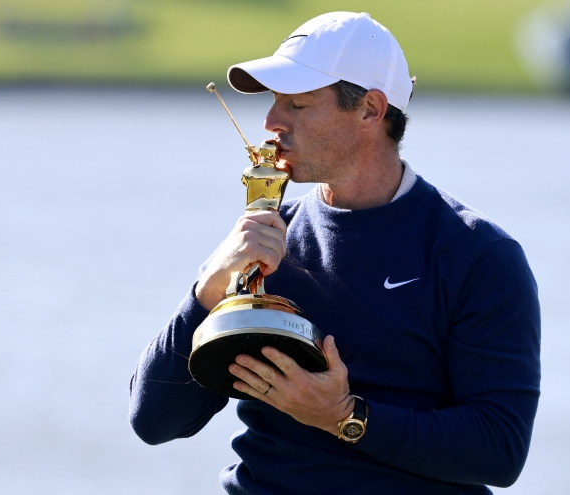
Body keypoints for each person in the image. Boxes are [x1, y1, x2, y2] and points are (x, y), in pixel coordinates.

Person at [129, 11, 541, 495]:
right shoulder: (262, 241)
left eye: (297, 104)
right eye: (274, 101)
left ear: (370, 110)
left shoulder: (479, 255)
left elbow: (499, 450)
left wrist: (343, 417)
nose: (271, 122)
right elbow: (155, 422)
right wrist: (208, 289)